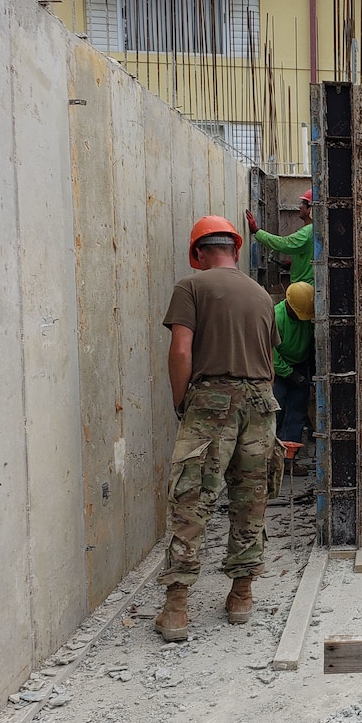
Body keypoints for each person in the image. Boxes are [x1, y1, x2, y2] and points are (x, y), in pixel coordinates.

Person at [155, 215, 281, 642]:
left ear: (197, 253)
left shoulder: (190, 287)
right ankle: (241, 596)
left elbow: (180, 350)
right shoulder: (263, 296)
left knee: (190, 498)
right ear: (236, 249)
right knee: (251, 498)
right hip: (261, 404)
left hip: (212, 401)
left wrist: (181, 401)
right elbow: (270, 364)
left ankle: (176, 609)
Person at [272, 281, 314, 475]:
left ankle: (289, 461)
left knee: (296, 414)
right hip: (278, 370)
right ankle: (270, 463)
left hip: (300, 366)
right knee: (275, 413)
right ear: (288, 303)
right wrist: (290, 374)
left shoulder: (306, 313)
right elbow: (270, 353)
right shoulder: (276, 317)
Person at [246, 188, 313, 285]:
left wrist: (257, 231)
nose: (300, 207)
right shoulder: (315, 230)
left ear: (310, 208)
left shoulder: (307, 232)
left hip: (304, 288)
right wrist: (294, 265)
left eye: (303, 203)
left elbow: (284, 244)